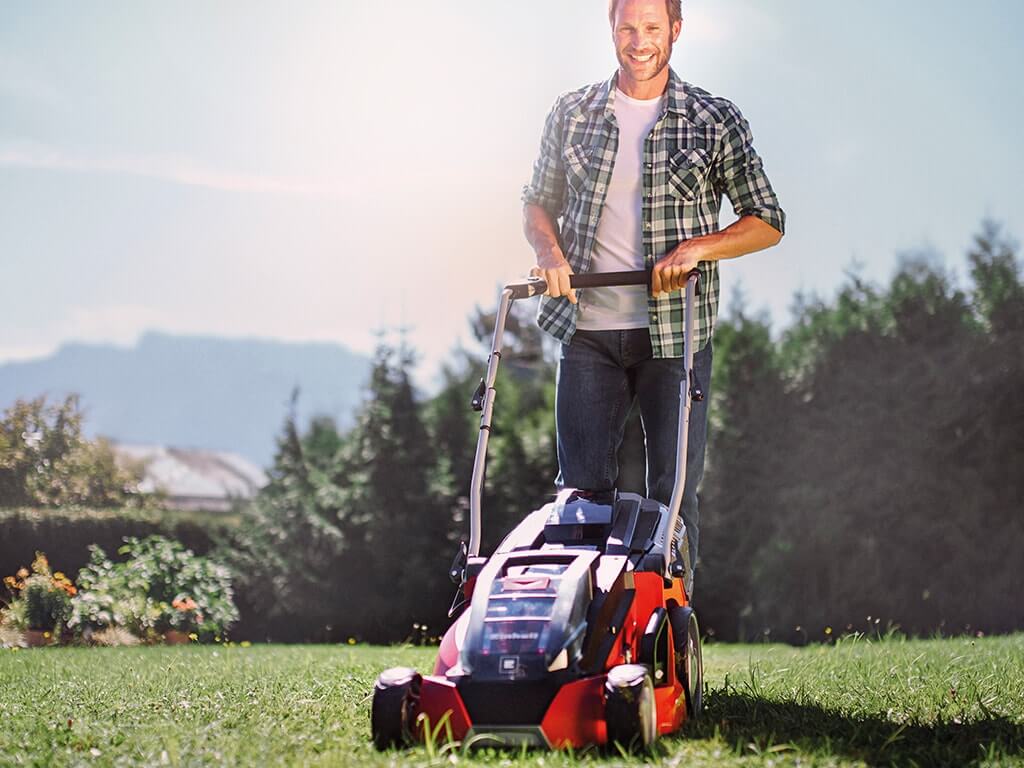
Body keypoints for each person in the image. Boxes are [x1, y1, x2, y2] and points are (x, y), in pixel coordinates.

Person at [522, 0, 785, 574]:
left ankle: (671, 646)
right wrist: (549, 252)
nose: (639, 42)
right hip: (587, 331)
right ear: (611, 30)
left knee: (674, 501)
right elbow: (537, 201)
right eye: (627, 28)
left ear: (677, 31)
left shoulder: (714, 118)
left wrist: (696, 248)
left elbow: (766, 220)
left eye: (652, 28)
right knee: (581, 501)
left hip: (677, 335)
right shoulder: (572, 113)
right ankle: (586, 646)